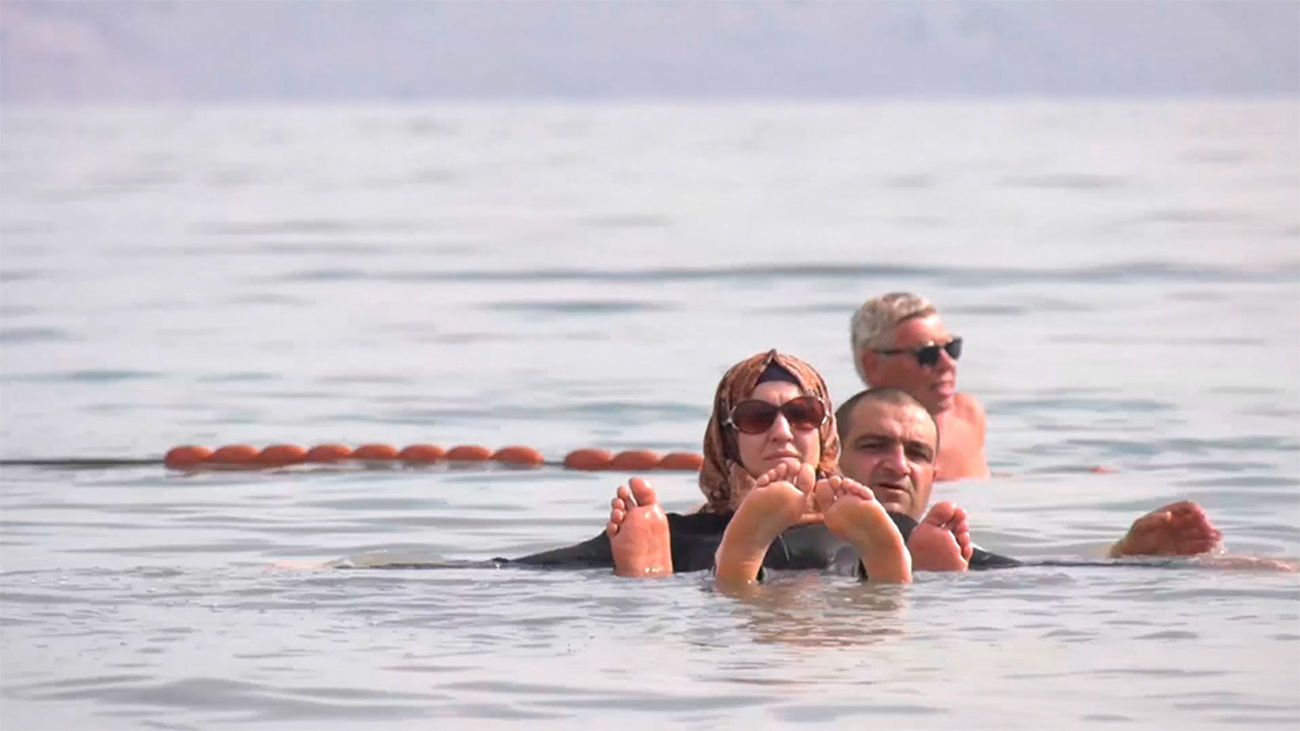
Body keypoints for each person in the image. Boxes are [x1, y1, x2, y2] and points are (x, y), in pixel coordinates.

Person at [513, 350, 969, 582]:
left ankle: (675, 579)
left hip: (848, 555)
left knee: (717, 590)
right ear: (726, 438)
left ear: (825, 430)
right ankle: (669, 570)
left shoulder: (872, 521)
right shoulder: (666, 533)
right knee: (885, 587)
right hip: (837, 582)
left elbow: (505, 574)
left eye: (802, 415)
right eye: (756, 418)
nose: (782, 433)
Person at [833, 386, 1231, 566]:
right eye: (875, 446)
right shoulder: (795, 540)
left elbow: (1034, 575)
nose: (899, 465)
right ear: (832, 457)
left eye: (917, 454)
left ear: (934, 475)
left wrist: (1125, 555)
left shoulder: (946, 550)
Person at [850, 292, 988, 481]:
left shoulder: (968, 415)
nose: (947, 364)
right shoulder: (846, 440)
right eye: (927, 354)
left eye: (951, 348)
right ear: (872, 365)